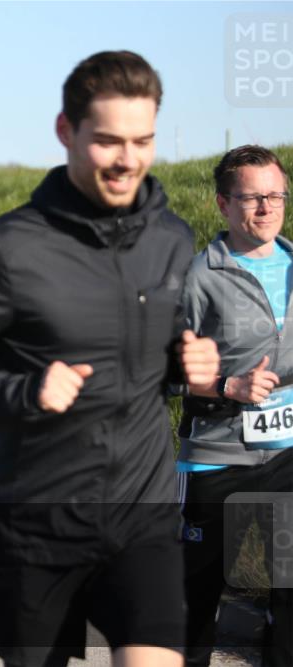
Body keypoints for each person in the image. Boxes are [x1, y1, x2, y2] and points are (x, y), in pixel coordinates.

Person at [0, 51, 221, 667]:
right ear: (66, 131)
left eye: (143, 140)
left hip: (141, 514)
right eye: (108, 142)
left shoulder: (171, 237)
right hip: (40, 524)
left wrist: (186, 364)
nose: (128, 160)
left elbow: (159, 344)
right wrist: (21, 393)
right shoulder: (6, 248)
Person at [176, 145, 291, 667]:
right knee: (195, 600)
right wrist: (229, 388)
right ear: (223, 205)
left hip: (287, 457)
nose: (266, 208)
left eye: (276, 196)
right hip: (218, 458)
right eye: (252, 197)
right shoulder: (199, 277)